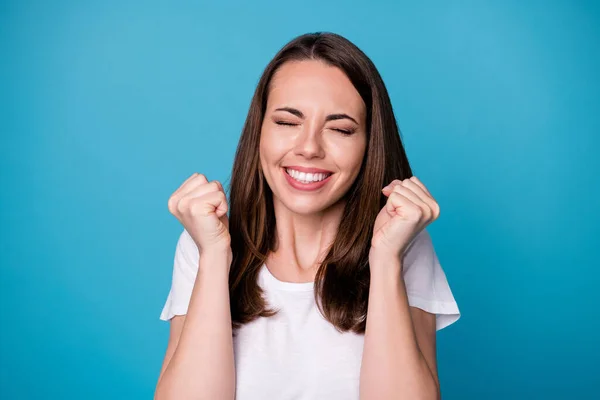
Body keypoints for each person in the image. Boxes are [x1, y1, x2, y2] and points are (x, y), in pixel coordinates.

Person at [154, 32, 461, 400]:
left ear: (369, 145)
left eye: (341, 129)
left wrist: (385, 258)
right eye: (287, 122)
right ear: (260, 132)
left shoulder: (403, 245)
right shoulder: (205, 243)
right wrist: (215, 255)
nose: (310, 148)